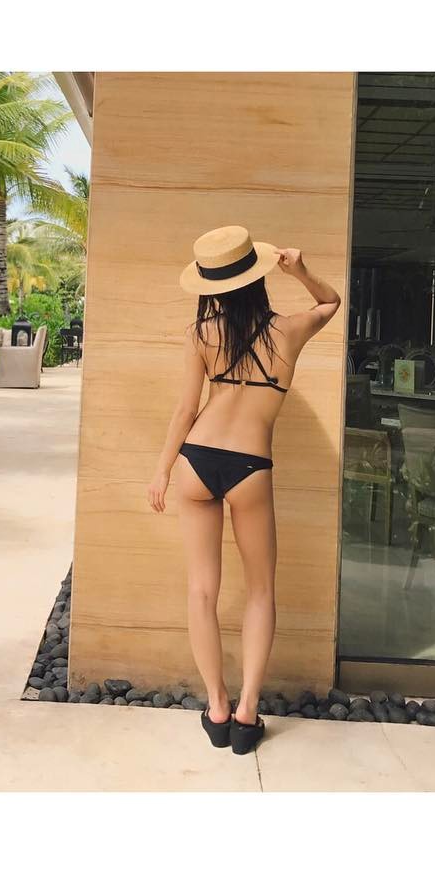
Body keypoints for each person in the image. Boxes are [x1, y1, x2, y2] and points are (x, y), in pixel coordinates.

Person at [146, 225, 341, 755]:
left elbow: (185, 411)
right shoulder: (289, 331)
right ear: (256, 278)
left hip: (196, 460)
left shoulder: (201, 334)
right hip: (250, 466)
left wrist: (162, 470)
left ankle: (216, 706)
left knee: (200, 591)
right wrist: (299, 270)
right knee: (260, 591)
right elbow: (331, 302)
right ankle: (247, 710)